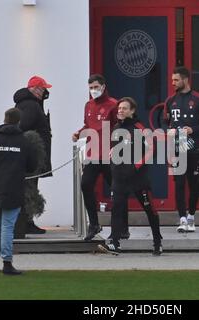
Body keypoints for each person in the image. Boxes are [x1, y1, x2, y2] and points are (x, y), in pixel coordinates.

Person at [98, 97, 163, 256]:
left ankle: (157, 241)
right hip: (119, 178)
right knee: (117, 210)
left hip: (138, 179)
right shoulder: (115, 128)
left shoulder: (140, 128)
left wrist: (136, 166)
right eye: (119, 108)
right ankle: (114, 242)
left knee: (150, 210)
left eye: (124, 108)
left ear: (132, 111)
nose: (120, 111)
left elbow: (152, 150)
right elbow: (114, 150)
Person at [0, 108, 37, 275]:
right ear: (19, 122)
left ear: (4, 120)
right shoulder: (25, 143)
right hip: (14, 189)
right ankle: (6, 262)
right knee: (7, 227)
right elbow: (32, 166)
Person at [72, 74, 129, 241]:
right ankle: (94, 224)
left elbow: (121, 127)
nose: (93, 90)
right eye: (91, 88)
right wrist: (79, 133)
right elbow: (88, 126)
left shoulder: (113, 105)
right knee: (86, 185)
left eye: (96, 87)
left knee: (118, 191)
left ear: (103, 87)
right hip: (93, 153)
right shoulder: (88, 105)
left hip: (110, 154)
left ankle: (123, 227)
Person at [163, 66, 199, 233]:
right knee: (179, 183)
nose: (173, 83)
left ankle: (191, 216)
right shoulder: (170, 100)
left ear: (185, 79)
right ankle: (182, 218)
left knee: (194, 183)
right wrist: (167, 130)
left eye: (176, 80)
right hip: (177, 147)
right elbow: (164, 121)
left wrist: (193, 130)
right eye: (172, 80)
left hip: (194, 147)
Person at [13, 75, 53, 234]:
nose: (45, 92)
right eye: (43, 89)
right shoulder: (31, 106)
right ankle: (27, 222)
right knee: (30, 187)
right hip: (31, 155)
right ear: (36, 89)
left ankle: (26, 221)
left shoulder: (26, 104)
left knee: (29, 186)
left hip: (30, 154)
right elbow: (24, 127)